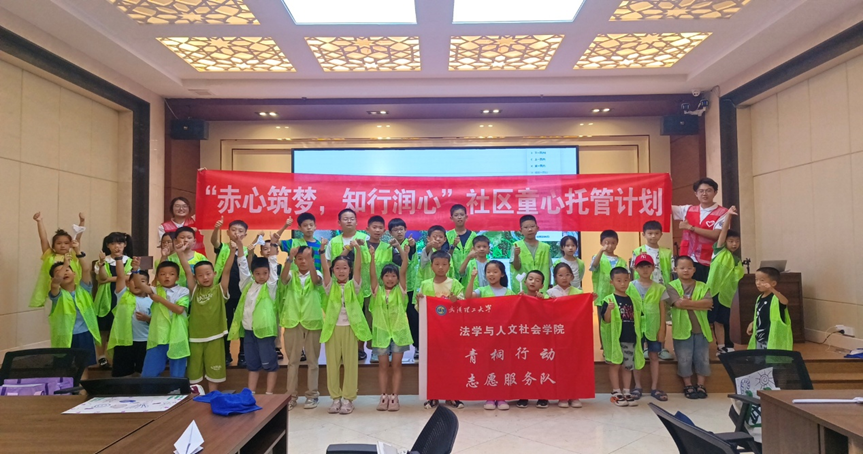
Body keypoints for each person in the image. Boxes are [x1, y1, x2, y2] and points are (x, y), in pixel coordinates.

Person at [321, 240, 372, 415]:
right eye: (337, 268)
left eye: (344, 268)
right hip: (332, 329)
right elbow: (324, 269)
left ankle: (348, 399)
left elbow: (358, 268)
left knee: (351, 365)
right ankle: (335, 398)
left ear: (349, 270)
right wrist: (322, 251)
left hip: (351, 328)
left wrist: (357, 248)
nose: (341, 271)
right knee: (332, 365)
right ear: (333, 270)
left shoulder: (354, 285)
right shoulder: (329, 286)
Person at [181, 239, 235, 392]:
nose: (205, 277)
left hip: (215, 336)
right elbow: (187, 270)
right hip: (195, 337)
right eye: (200, 275)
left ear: (214, 274)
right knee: (194, 371)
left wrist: (232, 252)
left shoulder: (220, 289)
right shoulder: (194, 290)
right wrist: (180, 252)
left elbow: (227, 271)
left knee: (214, 369)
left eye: (208, 274)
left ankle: (213, 394)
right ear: (195, 277)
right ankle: (195, 396)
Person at [228, 236, 280, 395]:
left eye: (265, 273)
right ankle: (251, 392)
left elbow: (273, 265)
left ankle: (269, 394)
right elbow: (243, 266)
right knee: (252, 364)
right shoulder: (247, 285)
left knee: (269, 364)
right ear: (253, 274)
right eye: (257, 273)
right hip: (249, 331)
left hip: (265, 332)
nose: (261, 276)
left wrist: (273, 245)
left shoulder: (270, 287)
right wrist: (239, 246)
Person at [416, 250, 464, 410]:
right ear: (431, 266)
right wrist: (419, 301)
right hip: (432, 331)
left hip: (451, 331)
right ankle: (433, 396)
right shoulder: (425, 284)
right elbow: (420, 309)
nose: (441, 267)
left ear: (449, 266)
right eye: (437, 264)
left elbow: (463, 306)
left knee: (452, 363)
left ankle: (453, 395)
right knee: (433, 363)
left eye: (444, 264)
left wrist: (456, 301)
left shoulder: (455, 284)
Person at [279, 244, 324, 411]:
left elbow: (316, 281)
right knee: (293, 361)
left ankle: (312, 395)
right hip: (292, 321)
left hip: (312, 320)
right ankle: (291, 396)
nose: (303, 261)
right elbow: (283, 279)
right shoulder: (291, 274)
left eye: (307, 258)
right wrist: (289, 259)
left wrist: (312, 262)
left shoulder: (317, 273)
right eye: (300, 258)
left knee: (313, 361)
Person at [369, 239, 412, 412]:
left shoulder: (401, 290)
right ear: (382, 278)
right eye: (386, 275)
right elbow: (372, 275)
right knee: (382, 366)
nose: (390, 278)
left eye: (393, 276)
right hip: (381, 333)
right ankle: (383, 396)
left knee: (396, 366)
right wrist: (372, 257)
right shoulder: (377, 290)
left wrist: (403, 252)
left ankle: (394, 396)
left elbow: (404, 268)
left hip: (399, 333)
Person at [466, 260, 514, 411]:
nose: (491, 274)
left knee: (502, 367)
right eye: (488, 272)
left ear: (502, 274)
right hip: (487, 335)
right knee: (488, 366)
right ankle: (490, 396)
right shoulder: (482, 290)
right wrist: (472, 278)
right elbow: (468, 297)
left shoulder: (509, 292)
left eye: (495, 271)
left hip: (504, 336)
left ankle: (501, 397)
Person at [325, 208, 371, 362]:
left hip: (360, 285)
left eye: (352, 218)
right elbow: (331, 263)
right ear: (339, 222)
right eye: (345, 218)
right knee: (341, 316)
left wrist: (360, 246)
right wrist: (349, 248)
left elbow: (368, 259)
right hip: (339, 287)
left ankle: (359, 348)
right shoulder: (333, 242)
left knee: (360, 316)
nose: (349, 221)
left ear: (357, 222)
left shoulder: (365, 238)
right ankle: (341, 348)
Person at [667, 256, 713, 400]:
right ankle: (688, 385)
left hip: (701, 328)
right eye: (682, 268)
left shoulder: (702, 285)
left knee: (703, 358)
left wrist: (688, 303)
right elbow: (678, 304)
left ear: (694, 270)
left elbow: (709, 303)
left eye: (689, 268)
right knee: (684, 358)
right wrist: (699, 304)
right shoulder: (671, 286)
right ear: (675, 269)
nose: (685, 270)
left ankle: (700, 385)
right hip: (682, 329)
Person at [45, 255, 99, 376]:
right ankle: (64, 386)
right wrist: (65, 265)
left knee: (83, 365)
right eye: (58, 272)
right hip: (64, 336)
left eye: (67, 270)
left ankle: (81, 386)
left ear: (74, 274)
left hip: (84, 333)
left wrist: (78, 252)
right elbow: (56, 282)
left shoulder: (84, 289)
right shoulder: (56, 294)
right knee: (63, 367)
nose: (64, 272)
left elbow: (86, 269)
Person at [600, 268, 644, 407]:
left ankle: (627, 391)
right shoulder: (608, 300)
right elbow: (606, 320)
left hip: (630, 337)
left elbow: (639, 319)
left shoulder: (633, 300)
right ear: (612, 282)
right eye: (619, 281)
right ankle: (616, 391)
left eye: (625, 280)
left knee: (628, 366)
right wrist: (609, 309)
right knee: (615, 364)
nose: (623, 283)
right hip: (615, 339)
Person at [629, 254, 670, 402]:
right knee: (637, 356)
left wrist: (662, 329)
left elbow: (662, 310)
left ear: (653, 268)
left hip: (653, 327)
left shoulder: (659, 288)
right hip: (636, 328)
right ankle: (637, 386)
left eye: (648, 266)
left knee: (654, 356)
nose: (645, 270)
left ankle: (654, 387)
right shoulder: (630, 286)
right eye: (641, 267)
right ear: (635, 268)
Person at [140, 261, 190, 378]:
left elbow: (179, 309)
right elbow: (141, 285)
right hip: (159, 335)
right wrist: (136, 270)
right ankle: (150, 390)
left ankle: (176, 389)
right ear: (157, 277)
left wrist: (160, 299)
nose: (167, 277)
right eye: (162, 274)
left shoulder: (183, 291)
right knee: (149, 374)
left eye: (171, 274)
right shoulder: (156, 290)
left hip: (177, 335)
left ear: (177, 277)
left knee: (177, 375)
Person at [673, 178, 728, 282]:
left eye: (708, 190)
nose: (704, 194)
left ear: (715, 192)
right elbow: (665, 207)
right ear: (696, 194)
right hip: (687, 260)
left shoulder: (723, 212)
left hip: (708, 260)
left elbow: (716, 234)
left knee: (704, 289)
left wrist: (691, 228)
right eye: (701, 191)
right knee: (686, 290)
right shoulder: (688, 209)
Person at [211, 218, 249, 366]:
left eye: (240, 231)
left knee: (243, 322)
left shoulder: (246, 251)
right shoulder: (222, 247)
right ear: (227, 232)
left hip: (242, 292)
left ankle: (243, 354)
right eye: (233, 230)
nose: (236, 233)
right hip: (224, 291)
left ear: (245, 235)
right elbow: (214, 241)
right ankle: (226, 353)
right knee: (225, 322)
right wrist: (216, 229)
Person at [93, 232, 133, 370]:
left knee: (120, 326)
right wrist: (102, 265)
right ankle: (101, 357)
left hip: (123, 297)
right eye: (113, 243)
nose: (117, 246)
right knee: (103, 328)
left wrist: (108, 279)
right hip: (105, 297)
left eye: (120, 243)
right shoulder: (102, 261)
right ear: (108, 246)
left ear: (125, 244)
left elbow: (128, 278)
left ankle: (117, 356)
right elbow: (102, 277)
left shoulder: (130, 261)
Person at [707, 206, 744, 355]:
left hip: (727, 297)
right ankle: (718, 346)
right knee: (712, 321)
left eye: (737, 241)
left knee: (724, 321)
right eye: (731, 241)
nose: (734, 244)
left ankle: (725, 346)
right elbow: (723, 232)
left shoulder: (738, 260)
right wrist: (728, 215)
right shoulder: (719, 251)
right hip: (712, 293)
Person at [107, 257, 151, 377]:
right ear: (127, 283)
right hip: (123, 341)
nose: (137, 284)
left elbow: (156, 322)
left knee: (143, 373)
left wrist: (147, 319)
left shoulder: (152, 301)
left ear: (148, 285)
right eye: (134, 281)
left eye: (142, 281)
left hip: (144, 341)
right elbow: (120, 276)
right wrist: (118, 258)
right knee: (122, 374)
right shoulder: (123, 295)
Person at [30, 212, 85, 309]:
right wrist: (39, 221)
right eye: (59, 243)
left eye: (66, 243)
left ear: (71, 244)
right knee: (59, 309)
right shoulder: (49, 256)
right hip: (56, 290)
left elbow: (78, 237)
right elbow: (43, 239)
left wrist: (82, 221)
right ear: (53, 246)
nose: (63, 245)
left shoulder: (73, 255)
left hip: (72, 289)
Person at [515, 270, 548, 409]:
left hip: (541, 339)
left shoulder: (545, 298)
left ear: (542, 285)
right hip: (523, 339)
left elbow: (550, 314)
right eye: (530, 279)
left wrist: (543, 302)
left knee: (541, 367)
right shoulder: (519, 297)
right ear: (525, 282)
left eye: (537, 280)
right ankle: (523, 396)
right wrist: (517, 301)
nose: (533, 282)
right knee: (524, 367)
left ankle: (543, 396)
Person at [388, 218, 419, 360]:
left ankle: (418, 346)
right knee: (392, 318)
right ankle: (389, 346)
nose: (399, 232)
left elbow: (406, 260)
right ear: (390, 232)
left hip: (410, 287)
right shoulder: (387, 246)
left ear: (406, 230)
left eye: (401, 229)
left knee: (414, 318)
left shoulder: (411, 244)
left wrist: (412, 246)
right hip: (394, 288)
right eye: (395, 230)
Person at [363, 215, 393, 363]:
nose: (377, 230)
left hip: (384, 291)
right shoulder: (360, 246)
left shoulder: (388, 247)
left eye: (380, 228)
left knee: (385, 321)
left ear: (384, 231)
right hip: (364, 291)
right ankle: (374, 350)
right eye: (374, 227)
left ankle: (384, 349)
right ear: (367, 229)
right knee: (369, 321)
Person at [747, 267, 792, 350]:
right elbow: (761, 315)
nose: (758, 283)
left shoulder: (776, 298)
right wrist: (753, 323)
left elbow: (785, 301)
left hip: (773, 339)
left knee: (771, 357)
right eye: (756, 280)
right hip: (760, 339)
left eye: (762, 280)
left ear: (773, 283)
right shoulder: (759, 298)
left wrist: (772, 289)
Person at [510, 215, 551, 293]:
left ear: (537, 228)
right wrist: (516, 255)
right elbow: (516, 267)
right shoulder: (516, 245)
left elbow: (548, 269)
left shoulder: (545, 247)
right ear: (521, 231)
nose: (530, 229)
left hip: (541, 289)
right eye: (526, 227)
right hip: (522, 288)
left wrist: (549, 285)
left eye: (532, 226)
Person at [591, 230, 629, 310]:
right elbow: (593, 266)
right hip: (602, 296)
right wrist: (601, 251)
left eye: (613, 243)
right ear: (601, 243)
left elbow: (628, 277)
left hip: (619, 295)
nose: (610, 246)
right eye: (607, 243)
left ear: (617, 243)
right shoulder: (597, 258)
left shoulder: (622, 261)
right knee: (603, 316)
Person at [447, 204, 476, 281]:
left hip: (469, 275)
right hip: (452, 276)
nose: (459, 217)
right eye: (456, 215)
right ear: (451, 218)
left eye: (462, 215)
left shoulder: (473, 236)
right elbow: (445, 256)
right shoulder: (448, 236)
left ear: (466, 217)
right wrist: (453, 245)